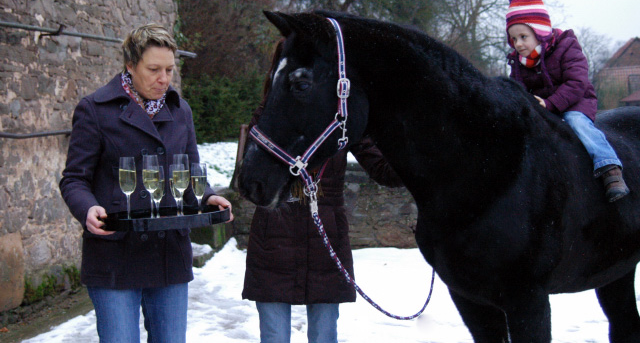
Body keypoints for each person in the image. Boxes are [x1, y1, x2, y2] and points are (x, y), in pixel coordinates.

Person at [59, 23, 233, 342]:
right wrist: (87, 209)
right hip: (115, 256)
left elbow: (192, 171)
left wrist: (207, 197)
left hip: (169, 254)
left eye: (169, 69)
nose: (163, 79)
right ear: (130, 65)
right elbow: (74, 179)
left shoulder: (180, 112)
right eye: (154, 69)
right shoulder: (95, 110)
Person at [241, 40, 404, 343]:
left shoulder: (341, 116)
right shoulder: (269, 113)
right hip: (273, 240)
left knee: (324, 337)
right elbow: (249, 179)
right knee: (274, 337)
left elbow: (381, 168)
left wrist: (420, 160)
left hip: (325, 237)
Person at [505, 0, 630, 202]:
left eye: (523, 37)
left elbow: (577, 82)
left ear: (540, 32)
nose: (518, 44)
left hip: (575, 102)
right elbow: (517, 89)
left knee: (577, 123)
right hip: (543, 106)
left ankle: (609, 167)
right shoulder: (518, 61)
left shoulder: (567, 46)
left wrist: (550, 103)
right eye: (514, 38)